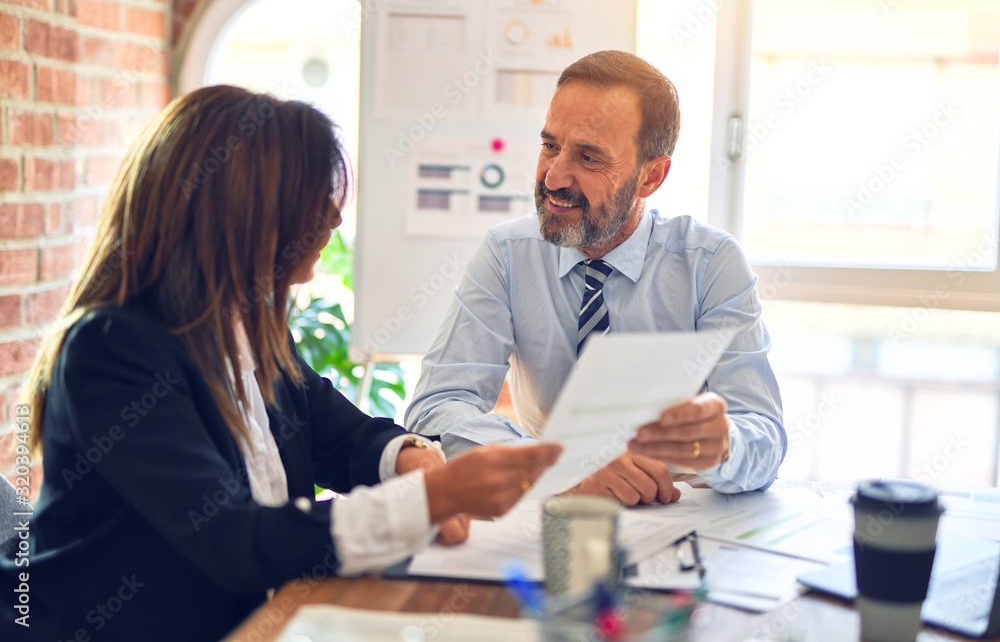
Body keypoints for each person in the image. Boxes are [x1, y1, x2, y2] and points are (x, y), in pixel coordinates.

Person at [0, 85, 560, 642]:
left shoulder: (248, 324)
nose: (333, 223)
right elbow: (231, 538)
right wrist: (434, 498)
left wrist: (411, 459)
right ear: (241, 214)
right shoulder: (112, 349)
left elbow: (339, 438)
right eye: (312, 202)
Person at [405, 50, 785, 503]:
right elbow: (435, 408)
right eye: (550, 146)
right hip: (553, 509)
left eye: (588, 158)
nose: (554, 177)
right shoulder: (508, 255)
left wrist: (723, 447)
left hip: (681, 513)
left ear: (651, 177)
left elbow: (765, 437)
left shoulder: (710, 264)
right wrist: (557, 469)